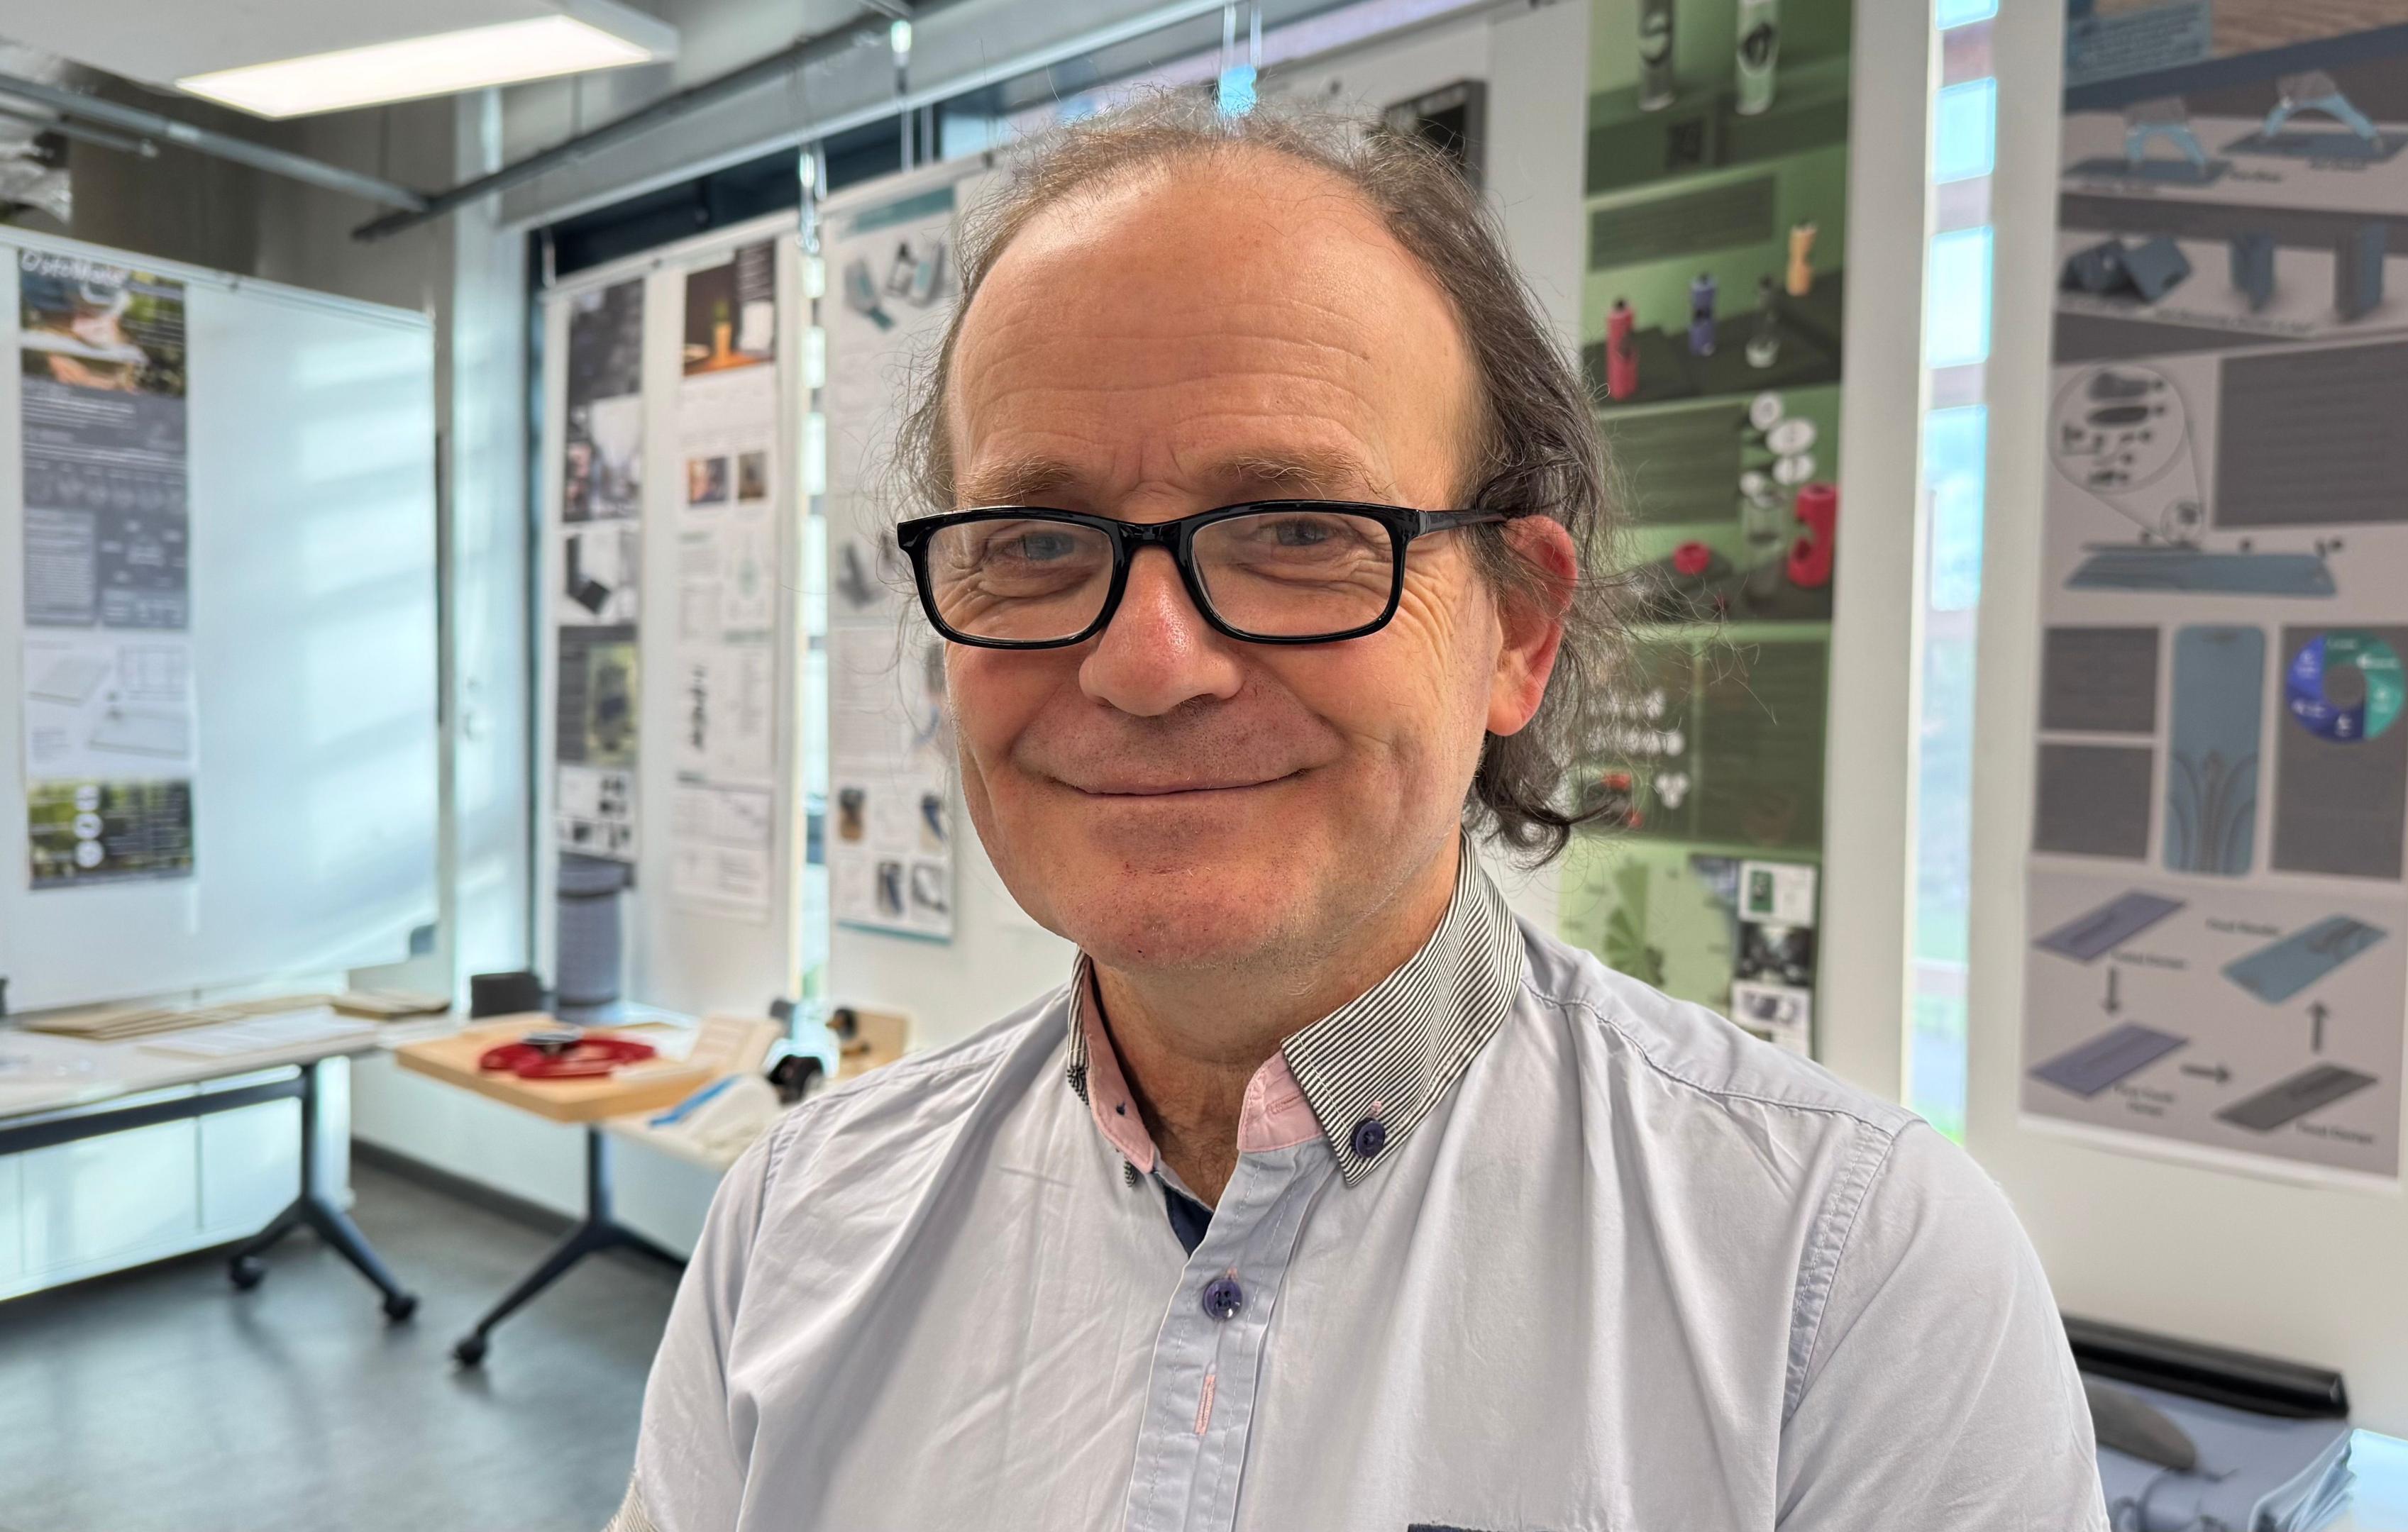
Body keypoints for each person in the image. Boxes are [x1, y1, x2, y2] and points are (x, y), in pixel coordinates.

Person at [614, 97, 2104, 1532]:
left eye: (1299, 532)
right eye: (1035, 541)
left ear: (1517, 627)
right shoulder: (795, 1224)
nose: (1144, 665)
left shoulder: (1846, 1278)